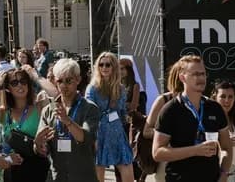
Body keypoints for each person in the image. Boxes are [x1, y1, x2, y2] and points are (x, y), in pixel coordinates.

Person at [153, 55, 232, 182]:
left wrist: (223, 173)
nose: (201, 78)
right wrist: (195, 150)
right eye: (195, 74)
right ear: (182, 77)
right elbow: (157, 153)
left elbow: (227, 148)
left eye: (203, 74)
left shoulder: (215, 108)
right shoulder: (170, 110)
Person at [33, 58, 99, 181]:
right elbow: (42, 148)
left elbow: (87, 139)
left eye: (68, 80)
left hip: (83, 177)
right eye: (60, 81)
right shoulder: (48, 110)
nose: (63, 85)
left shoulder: (89, 108)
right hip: (57, 176)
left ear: (78, 80)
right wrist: (38, 144)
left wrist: (67, 120)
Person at [85, 52, 134, 182]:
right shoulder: (92, 88)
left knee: (127, 167)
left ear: (114, 67)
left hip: (116, 131)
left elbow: (122, 112)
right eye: (101, 64)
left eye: (108, 64)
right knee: (98, 171)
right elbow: (88, 114)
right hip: (99, 132)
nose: (104, 67)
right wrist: (92, 137)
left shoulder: (120, 88)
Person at [0, 67, 49, 182]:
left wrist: (36, 76)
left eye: (23, 81)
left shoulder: (39, 106)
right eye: (14, 83)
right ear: (8, 88)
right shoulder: (1, 112)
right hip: (11, 171)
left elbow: (56, 95)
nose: (20, 85)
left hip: (36, 168)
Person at [143, 61, 184, 182]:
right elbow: (146, 131)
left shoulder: (200, 101)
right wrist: (167, 134)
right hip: (167, 158)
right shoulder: (163, 100)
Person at [212, 81, 235, 182]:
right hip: (217, 173)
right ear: (215, 97)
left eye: (230, 97)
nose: (227, 100)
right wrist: (223, 143)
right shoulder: (209, 119)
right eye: (223, 96)